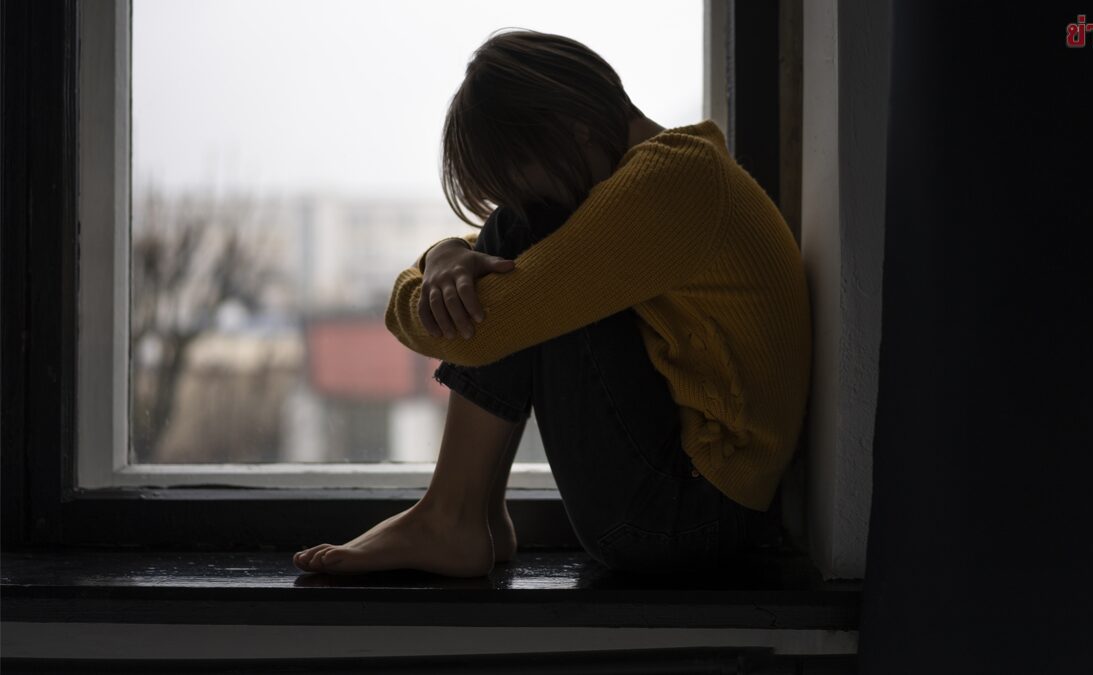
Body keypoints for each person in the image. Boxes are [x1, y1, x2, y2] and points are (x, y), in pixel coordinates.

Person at [293, 28, 811, 577]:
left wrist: (415, 292)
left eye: (517, 175)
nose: (520, 195)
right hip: (702, 505)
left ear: (573, 127)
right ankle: (471, 514)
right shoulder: (678, 172)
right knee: (519, 240)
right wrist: (445, 254)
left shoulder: (670, 182)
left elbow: (482, 333)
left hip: (685, 517)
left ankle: (452, 516)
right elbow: (513, 278)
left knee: (524, 230)